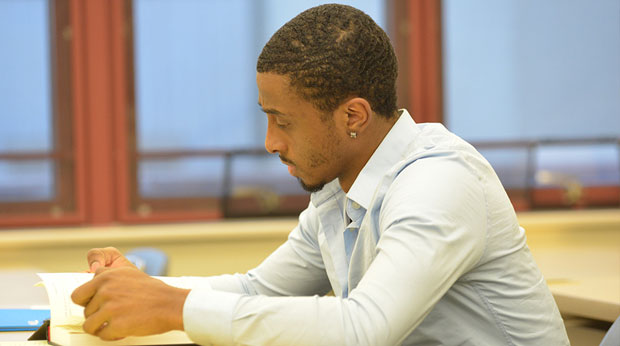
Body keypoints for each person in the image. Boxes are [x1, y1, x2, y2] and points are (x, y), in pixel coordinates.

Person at [71, 4, 570, 345]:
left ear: (352, 116)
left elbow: (363, 329)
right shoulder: (340, 188)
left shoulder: (438, 183)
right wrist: (152, 291)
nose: (270, 142)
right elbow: (257, 291)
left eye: (283, 121)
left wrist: (175, 308)